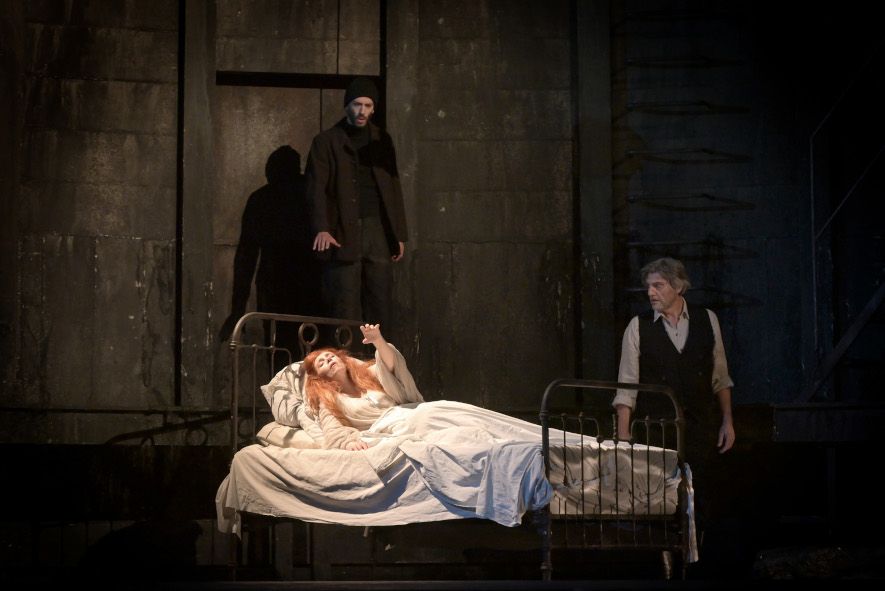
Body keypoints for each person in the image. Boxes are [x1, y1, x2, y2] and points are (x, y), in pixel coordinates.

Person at [611, 257, 735, 557]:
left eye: (658, 285)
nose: (651, 293)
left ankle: (701, 562)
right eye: (648, 287)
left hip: (700, 424)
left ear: (678, 287)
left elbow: (720, 377)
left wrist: (727, 420)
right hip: (658, 428)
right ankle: (666, 560)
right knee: (661, 500)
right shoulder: (638, 326)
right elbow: (627, 385)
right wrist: (624, 434)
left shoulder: (707, 320)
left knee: (702, 497)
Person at [306, 77, 408, 329]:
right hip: (344, 229)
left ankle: (378, 365)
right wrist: (322, 227)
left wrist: (399, 234)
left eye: (367, 105)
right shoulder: (327, 141)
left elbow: (393, 188)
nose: (362, 111)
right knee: (344, 302)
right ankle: (346, 364)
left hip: (377, 231)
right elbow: (315, 188)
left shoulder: (382, 140)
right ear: (347, 106)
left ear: (374, 109)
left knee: (380, 302)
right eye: (356, 104)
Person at [219, 146, 324, 364]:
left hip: (274, 284)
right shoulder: (311, 193)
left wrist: (238, 307)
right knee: (314, 353)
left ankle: (283, 396)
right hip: (310, 283)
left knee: (278, 353)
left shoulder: (261, 199)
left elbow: (246, 257)